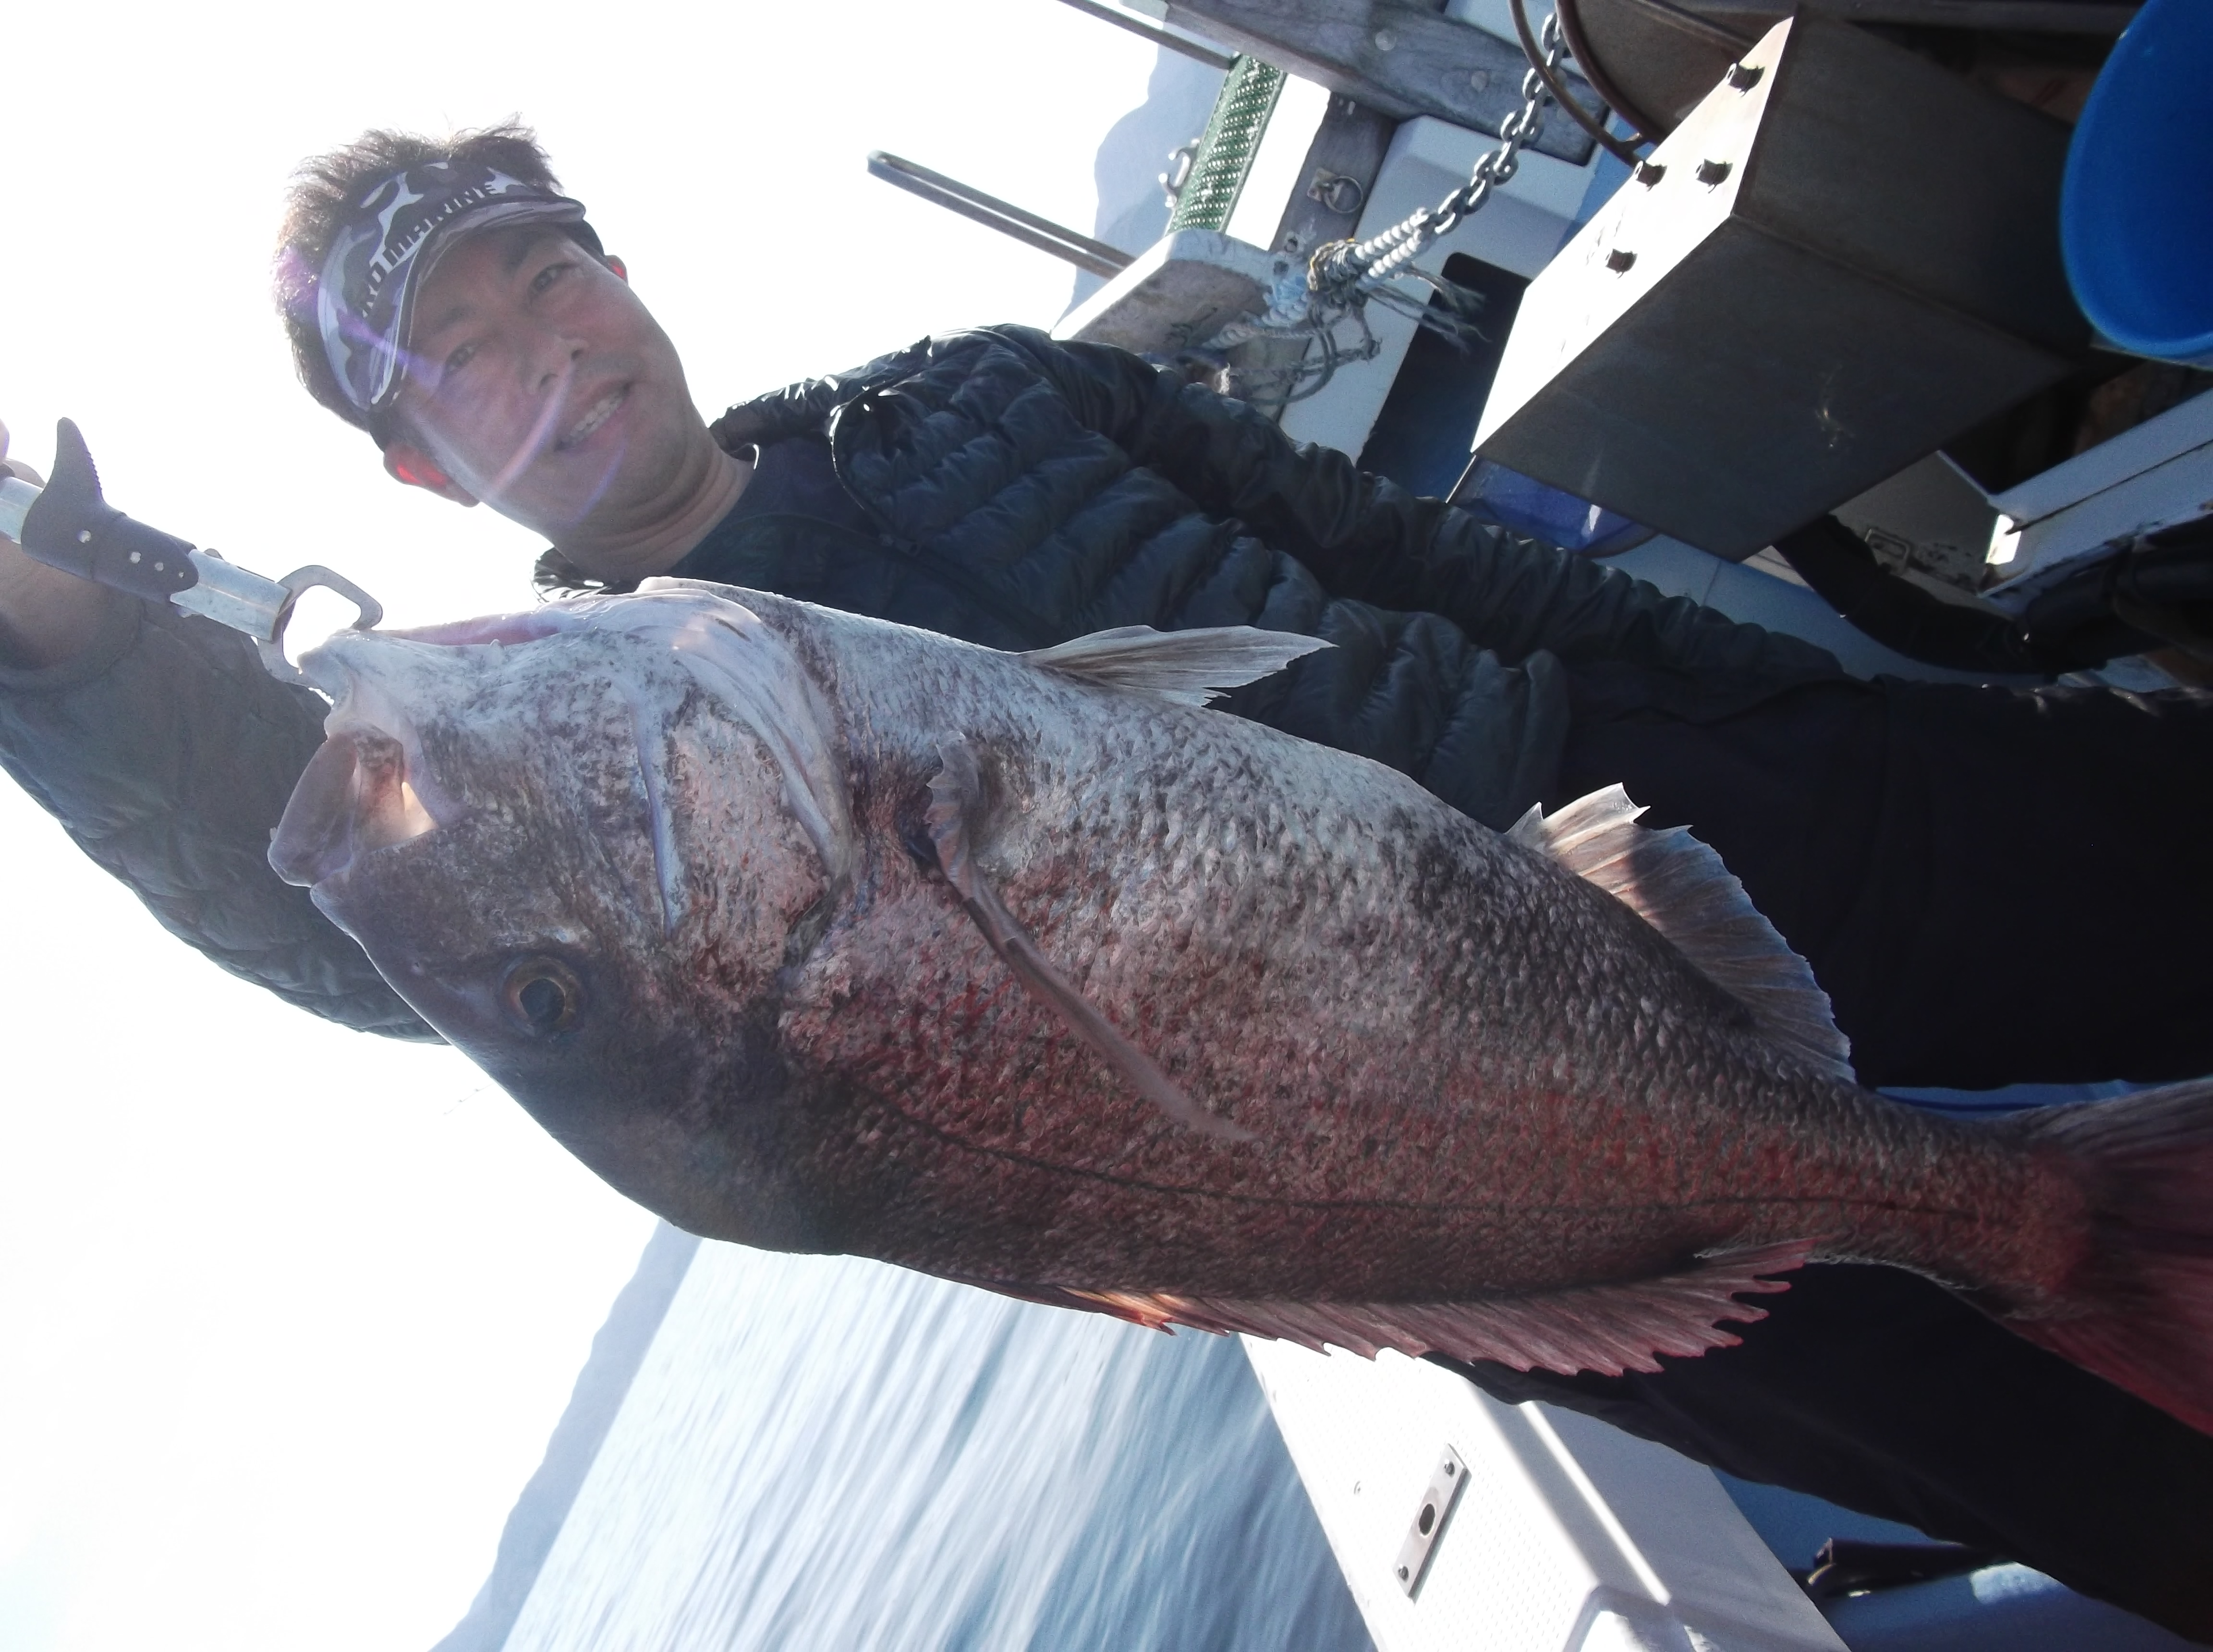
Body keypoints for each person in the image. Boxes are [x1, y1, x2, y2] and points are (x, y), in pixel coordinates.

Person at [3, 124, 2210, 1639]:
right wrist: (73, 654)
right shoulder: (540, 828)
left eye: (550, 274)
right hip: (1495, 1199)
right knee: (2094, 1462)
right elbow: (324, 914)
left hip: (1659, 803)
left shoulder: (977, 392)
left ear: (624, 274)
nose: (547, 351)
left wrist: (1844, 723)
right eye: (462, 354)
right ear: (412, 466)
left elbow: (1415, 557)